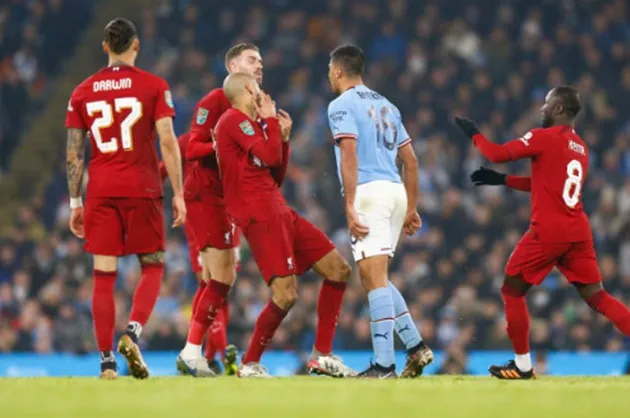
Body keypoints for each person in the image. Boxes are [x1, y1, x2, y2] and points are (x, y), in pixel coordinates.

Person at [455, 86, 630, 379]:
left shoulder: (543, 137)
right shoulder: (581, 148)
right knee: (598, 297)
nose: (541, 109)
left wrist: (474, 133)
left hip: (549, 231)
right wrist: (504, 181)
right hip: (578, 230)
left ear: (559, 109)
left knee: (511, 290)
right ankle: (522, 366)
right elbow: (548, 184)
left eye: (547, 104)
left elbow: (496, 153)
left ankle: (522, 366)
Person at [64, 18, 185, 379]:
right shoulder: (153, 86)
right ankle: (132, 333)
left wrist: (75, 203)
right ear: (136, 45)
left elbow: (74, 155)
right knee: (153, 264)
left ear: (105, 47)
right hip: (143, 187)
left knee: (103, 276)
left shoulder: (81, 92)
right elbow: (167, 140)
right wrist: (178, 193)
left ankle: (106, 364)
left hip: (101, 191)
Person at [215, 72, 354, 378]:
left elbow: (274, 171)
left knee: (338, 270)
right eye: (257, 90)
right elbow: (268, 152)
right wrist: (270, 123)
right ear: (246, 91)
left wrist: (284, 138)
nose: (261, 96)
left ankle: (323, 355)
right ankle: (250, 364)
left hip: (277, 208)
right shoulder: (232, 120)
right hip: (260, 214)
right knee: (286, 295)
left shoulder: (250, 127)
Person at [326, 45, 433, 378]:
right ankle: (415, 347)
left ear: (338, 71)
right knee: (377, 278)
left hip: (369, 194)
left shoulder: (340, 105)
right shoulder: (388, 104)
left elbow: (349, 153)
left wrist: (349, 202)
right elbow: (411, 161)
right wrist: (410, 207)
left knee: (373, 280)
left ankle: (384, 365)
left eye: (330, 69)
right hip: (395, 191)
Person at [174, 43, 263, 377]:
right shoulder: (214, 101)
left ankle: (196, 351)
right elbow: (192, 145)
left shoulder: (257, 105)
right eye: (252, 60)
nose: (259, 66)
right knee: (219, 279)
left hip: (231, 202)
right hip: (207, 196)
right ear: (232, 65)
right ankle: (195, 351)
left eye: (261, 61)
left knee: (216, 281)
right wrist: (217, 144)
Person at [159, 133, 236, 375]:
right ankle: (221, 355)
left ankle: (210, 357)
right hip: (200, 218)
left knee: (221, 290)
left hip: (228, 218)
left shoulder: (232, 135)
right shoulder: (190, 141)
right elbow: (163, 169)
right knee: (212, 285)